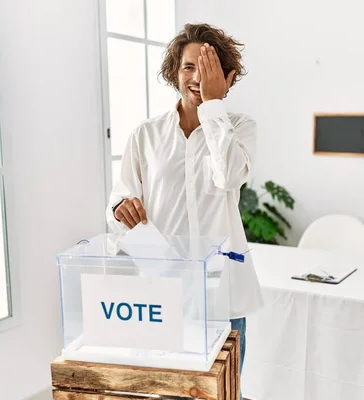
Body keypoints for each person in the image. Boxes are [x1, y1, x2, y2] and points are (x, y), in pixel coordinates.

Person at [105, 23, 263, 397]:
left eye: (208, 68)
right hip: (163, 294)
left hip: (223, 294)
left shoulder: (240, 128)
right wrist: (119, 210)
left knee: (223, 392)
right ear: (174, 72)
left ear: (228, 77)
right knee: (166, 391)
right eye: (189, 66)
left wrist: (212, 106)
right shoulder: (146, 135)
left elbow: (228, 176)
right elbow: (119, 205)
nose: (196, 77)